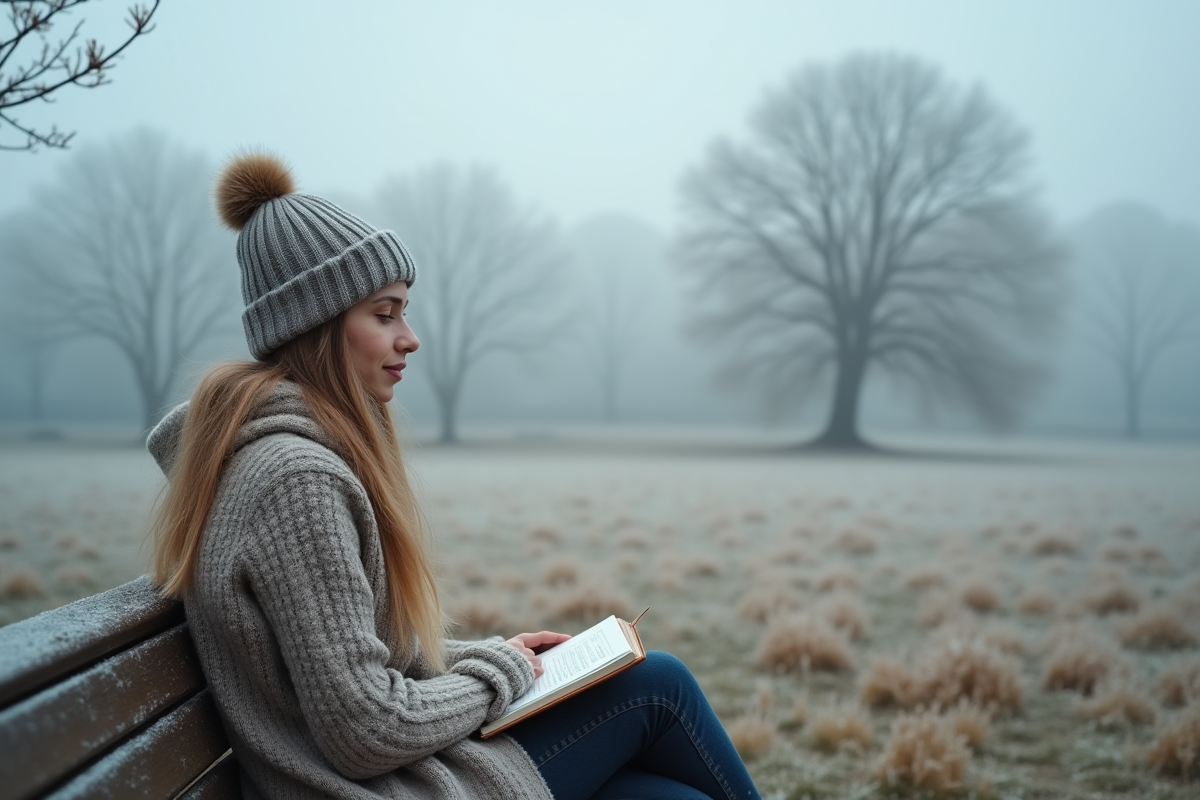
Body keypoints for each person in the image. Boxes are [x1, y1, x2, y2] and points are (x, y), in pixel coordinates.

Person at [148, 153, 762, 800]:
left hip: (372, 778)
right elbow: (364, 728)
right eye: (385, 316)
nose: (410, 338)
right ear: (318, 329)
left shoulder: (283, 459)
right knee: (657, 685)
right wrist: (502, 673)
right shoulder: (295, 481)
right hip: (374, 787)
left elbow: (362, 665)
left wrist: (494, 655)